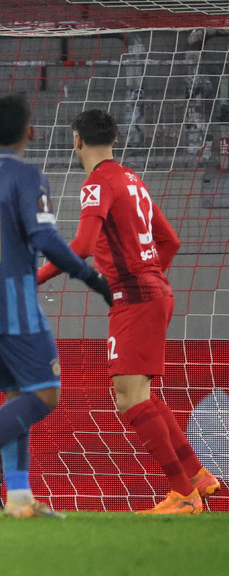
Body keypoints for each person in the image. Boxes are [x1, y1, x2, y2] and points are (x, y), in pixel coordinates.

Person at [0, 94, 113, 518]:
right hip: (14, 304)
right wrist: (91, 277)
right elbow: (45, 239)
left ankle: (19, 498)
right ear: (31, 132)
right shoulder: (27, 177)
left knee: (18, 397)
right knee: (45, 395)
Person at [38, 109, 221, 514]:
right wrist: (149, 278)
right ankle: (196, 476)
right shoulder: (132, 181)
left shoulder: (97, 182)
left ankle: (183, 496)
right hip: (153, 291)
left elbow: (83, 246)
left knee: (129, 399)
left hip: (135, 296)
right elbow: (169, 240)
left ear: (77, 141)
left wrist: (37, 277)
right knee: (143, 395)